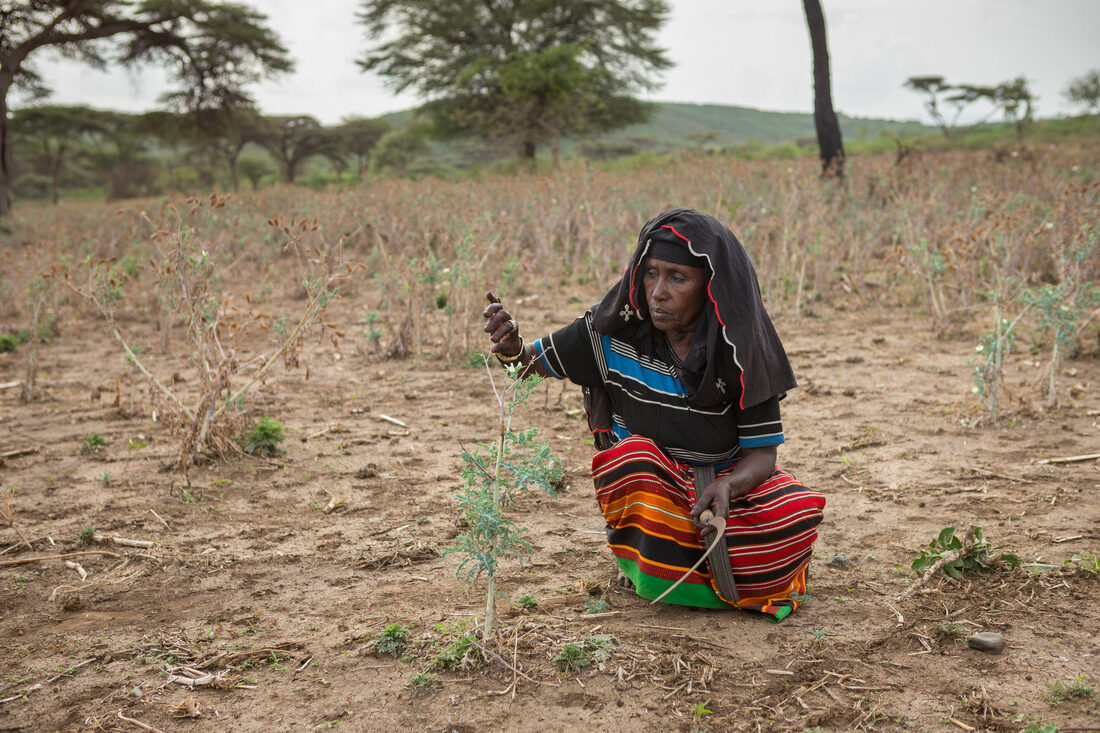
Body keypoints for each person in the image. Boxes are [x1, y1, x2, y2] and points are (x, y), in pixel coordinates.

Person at [483, 209, 825, 621]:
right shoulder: (610, 334)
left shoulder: (740, 349)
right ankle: (654, 567)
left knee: (794, 510)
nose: (658, 291)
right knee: (635, 459)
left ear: (710, 288)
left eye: (677, 278)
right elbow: (525, 365)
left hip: (723, 490)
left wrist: (728, 488)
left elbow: (762, 456)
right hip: (651, 493)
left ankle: (673, 569)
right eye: (650, 274)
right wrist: (511, 348)